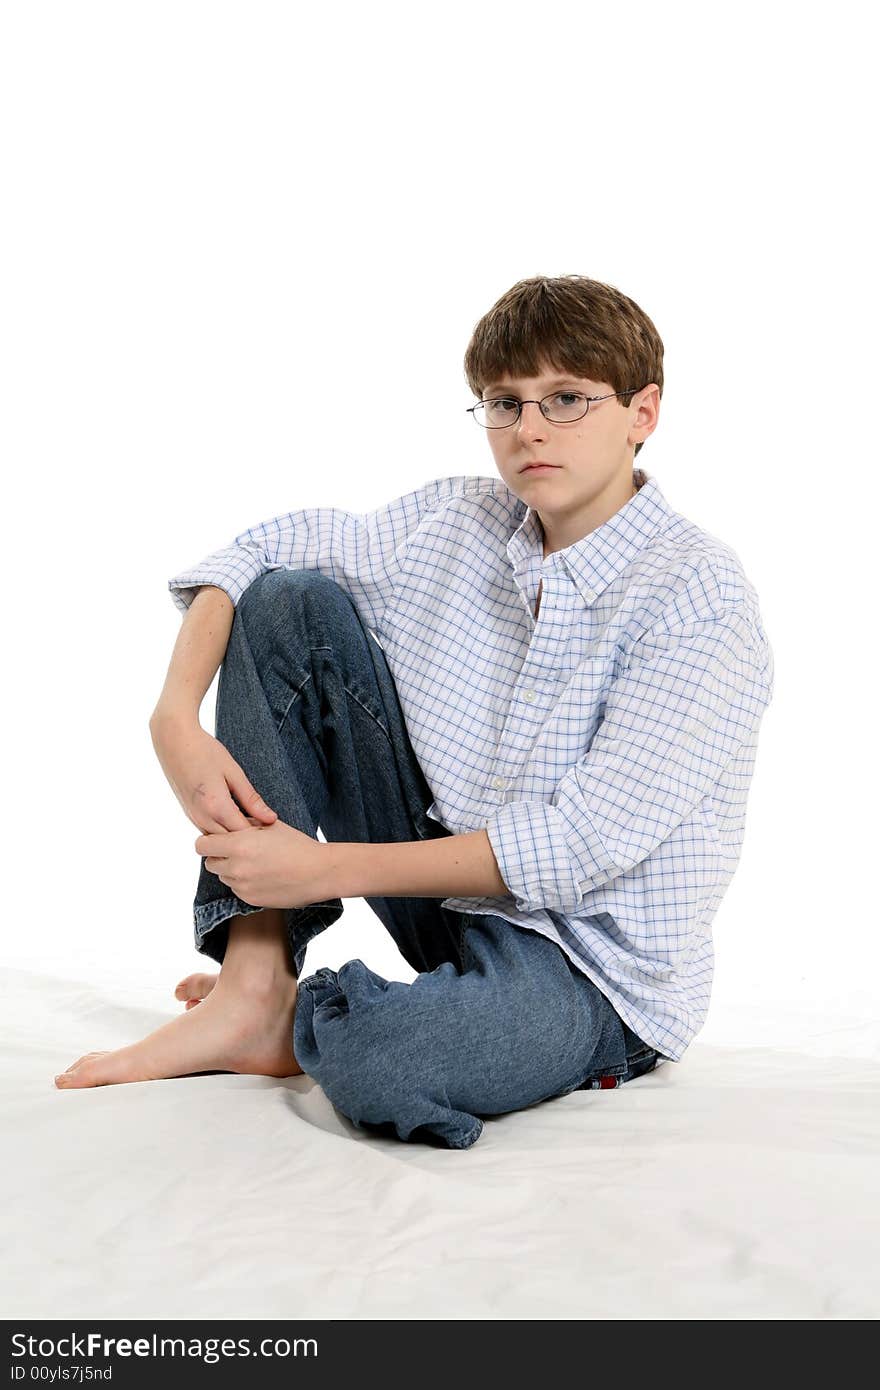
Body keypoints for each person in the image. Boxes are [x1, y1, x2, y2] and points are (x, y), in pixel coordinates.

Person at [54, 274, 774, 1150]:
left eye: (567, 399)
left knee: (380, 1060)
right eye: (504, 404)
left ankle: (342, 1020)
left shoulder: (699, 599)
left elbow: (578, 844)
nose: (530, 430)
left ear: (642, 412)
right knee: (288, 606)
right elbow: (260, 551)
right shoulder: (458, 519)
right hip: (452, 904)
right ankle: (253, 988)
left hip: (592, 972)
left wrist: (324, 871)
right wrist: (173, 716)